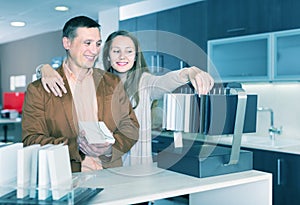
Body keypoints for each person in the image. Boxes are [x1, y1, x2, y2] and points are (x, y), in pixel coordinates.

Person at [37, 30, 214, 166]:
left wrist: (190, 72)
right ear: (107, 55)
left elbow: (168, 80)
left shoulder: (145, 83)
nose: (122, 57)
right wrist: (43, 68)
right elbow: (64, 81)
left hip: (136, 172)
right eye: (116, 51)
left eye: (129, 51)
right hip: (102, 169)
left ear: (136, 56)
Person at [22, 17, 139, 172]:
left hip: (111, 175)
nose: (94, 50)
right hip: (67, 178)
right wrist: (75, 145)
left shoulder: (111, 82)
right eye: (87, 43)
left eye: (98, 44)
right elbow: (31, 140)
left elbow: (130, 126)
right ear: (67, 43)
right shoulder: (39, 90)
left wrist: (111, 149)